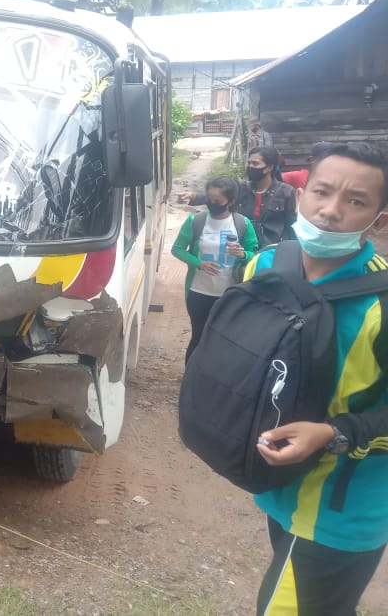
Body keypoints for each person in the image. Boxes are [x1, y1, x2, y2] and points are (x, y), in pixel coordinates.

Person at [242, 142, 388, 614]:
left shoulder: (382, 305)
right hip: (276, 486)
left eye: (356, 201)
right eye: (322, 192)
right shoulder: (264, 265)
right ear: (300, 197)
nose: (330, 211)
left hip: (343, 512)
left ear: (379, 221)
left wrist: (333, 432)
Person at [171, 175, 259, 361]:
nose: (212, 204)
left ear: (231, 201)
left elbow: (254, 255)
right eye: (209, 199)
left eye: (217, 201)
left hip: (229, 294)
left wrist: (243, 255)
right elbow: (177, 249)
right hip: (198, 292)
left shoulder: (242, 224)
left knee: (223, 340)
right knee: (199, 338)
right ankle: (192, 380)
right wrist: (198, 263)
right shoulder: (196, 221)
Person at [183, 146, 296, 248]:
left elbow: (291, 226)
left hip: (270, 250)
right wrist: (194, 196)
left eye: (255, 164)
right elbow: (219, 197)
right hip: (240, 248)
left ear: (269, 167)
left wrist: (287, 250)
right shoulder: (242, 188)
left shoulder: (286, 192)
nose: (250, 166)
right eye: (249, 163)